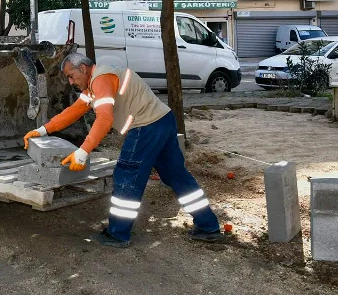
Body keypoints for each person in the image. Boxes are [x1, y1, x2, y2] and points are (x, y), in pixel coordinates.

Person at [23, 53, 222, 248]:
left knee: (127, 177)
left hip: (145, 127)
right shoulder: (98, 82)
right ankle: (208, 226)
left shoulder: (100, 79)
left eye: (71, 76)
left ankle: (117, 233)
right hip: (163, 120)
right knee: (177, 176)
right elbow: (72, 112)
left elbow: (104, 119)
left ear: (83, 68)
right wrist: (41, 131)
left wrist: (82, 152)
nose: (70, 81)